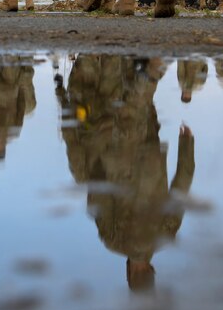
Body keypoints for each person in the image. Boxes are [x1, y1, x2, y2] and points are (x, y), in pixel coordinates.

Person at [59, 55, 194, 292]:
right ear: (129, 274)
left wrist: (186, 147)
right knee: (129, 113)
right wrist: (96, 159)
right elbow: (99, 197)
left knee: (140, 110)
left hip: (151, 161)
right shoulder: (113, 240)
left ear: (152, 271)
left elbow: (181, 187)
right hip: (119, 163)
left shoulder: (166, 235)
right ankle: (150, 71)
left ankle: (144, 68)